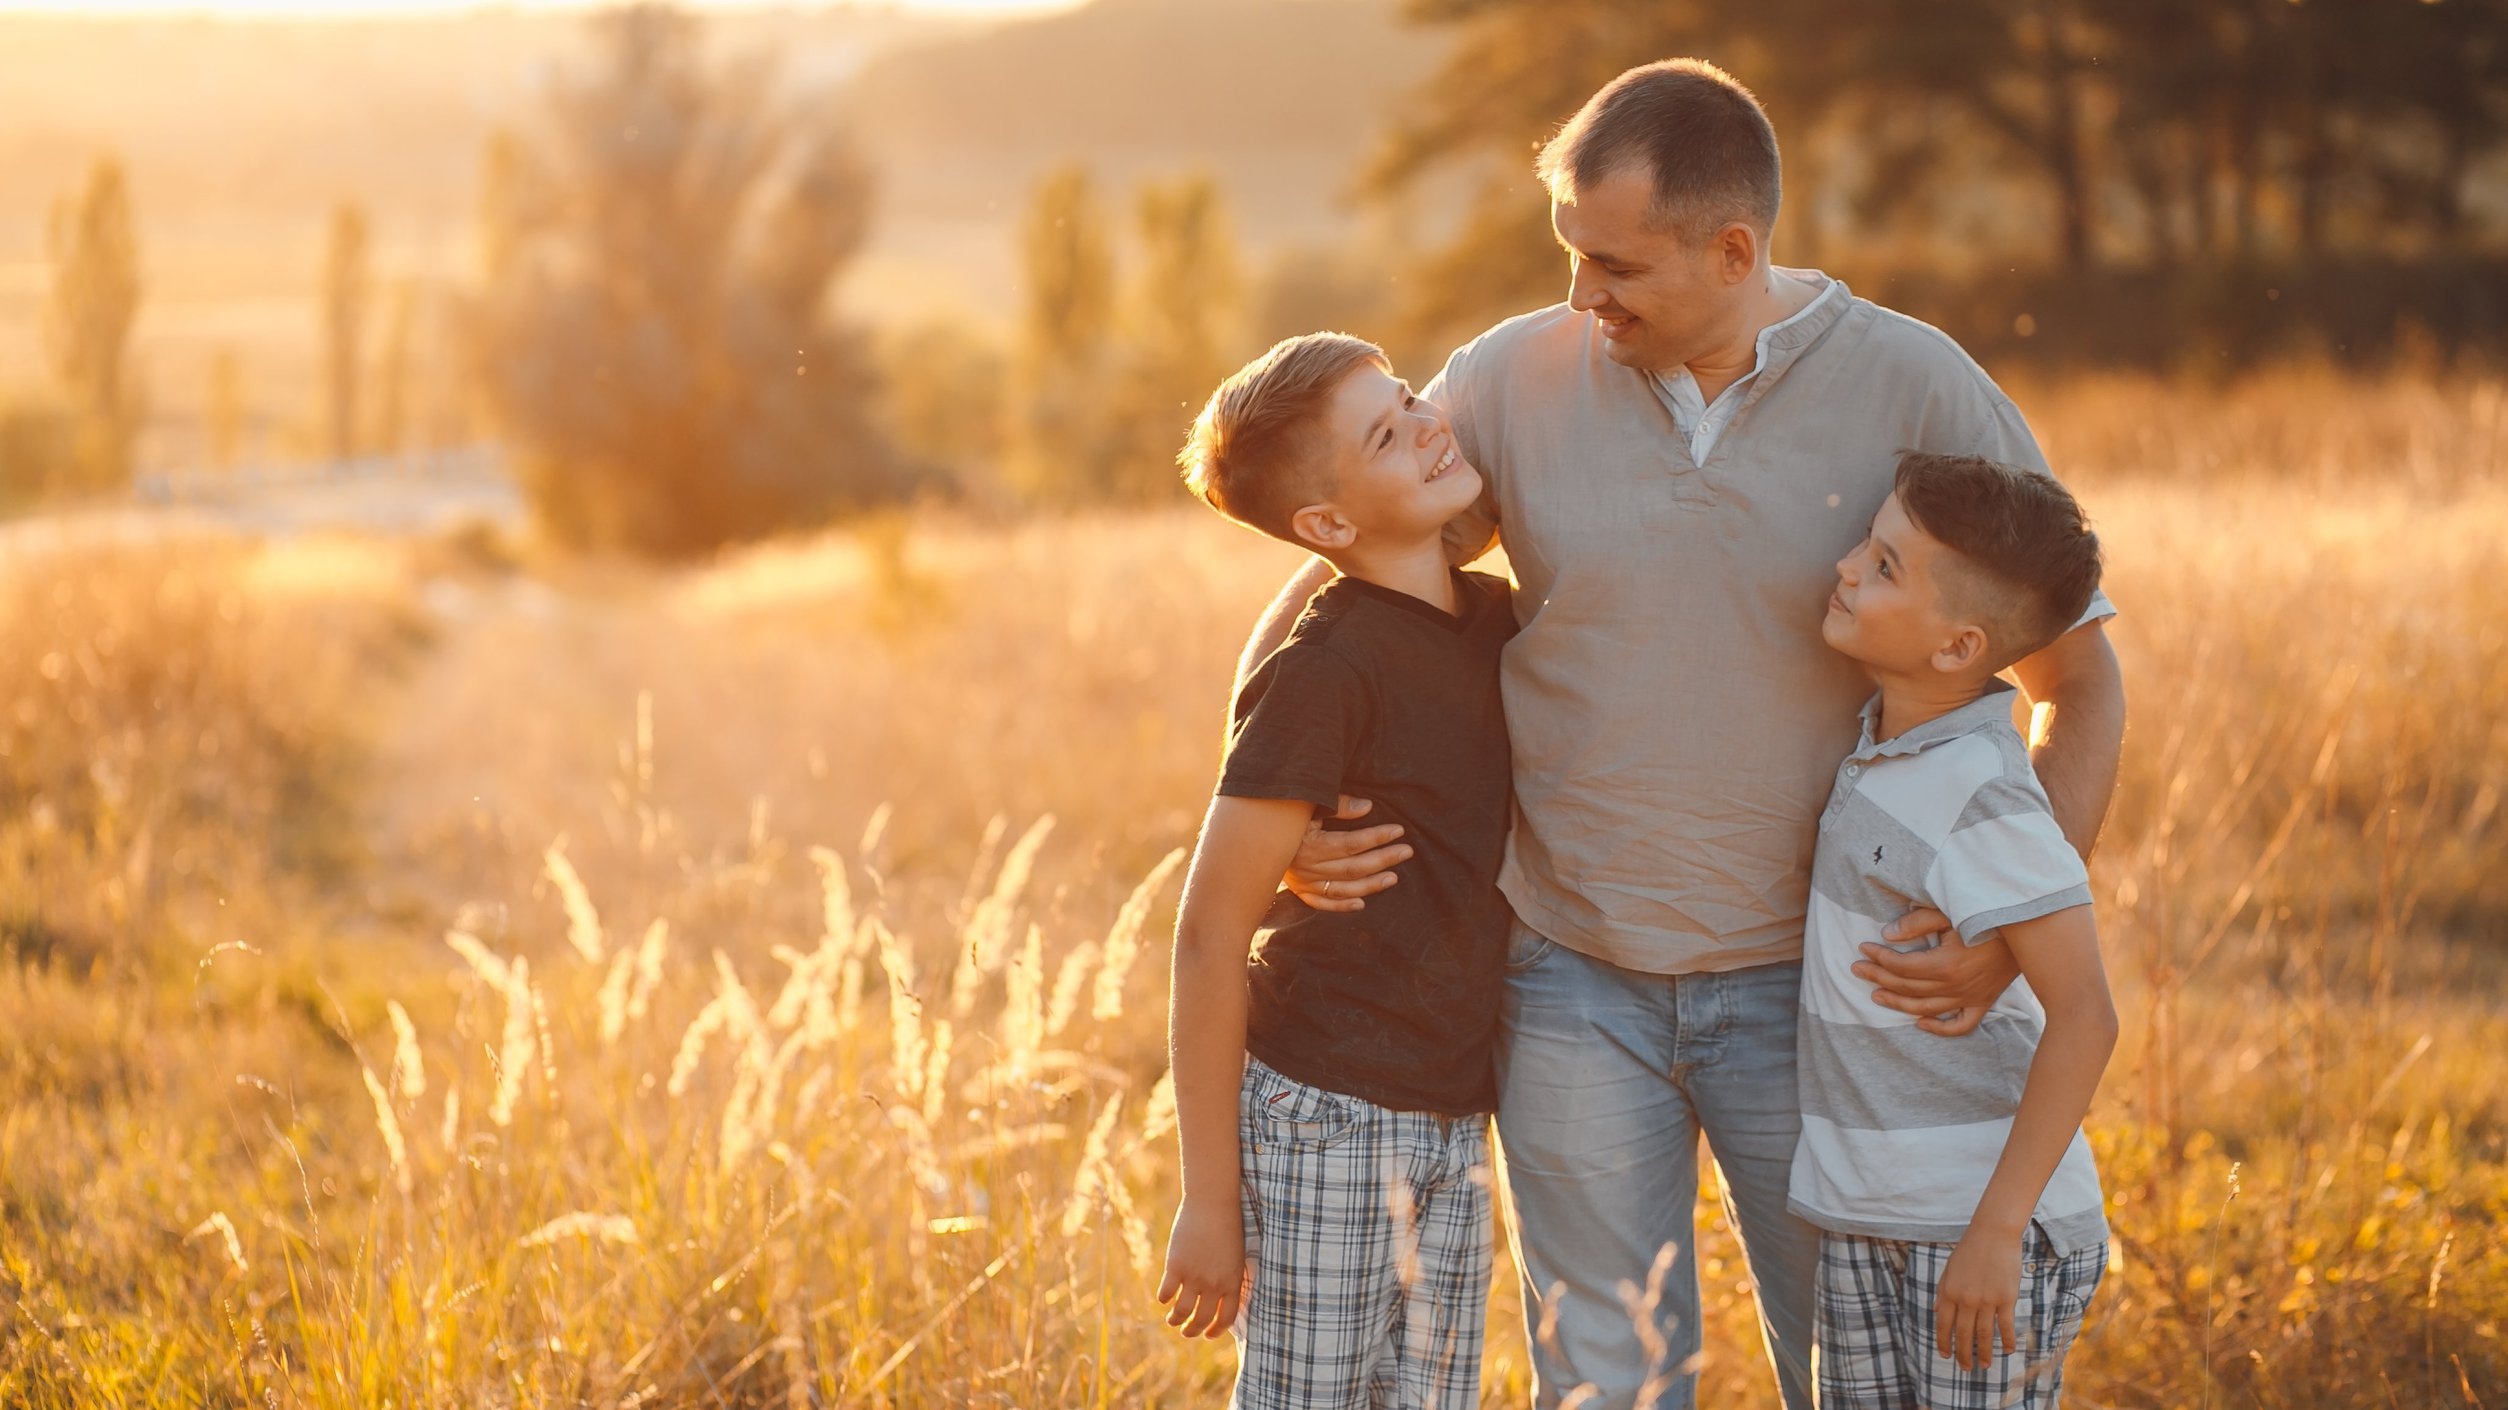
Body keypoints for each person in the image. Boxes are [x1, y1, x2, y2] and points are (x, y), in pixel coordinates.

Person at [1248, 58, 2127, 1410]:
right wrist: (1289, 825)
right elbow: (1339, 577)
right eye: (1570, 256)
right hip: (1568, 983)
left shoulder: (1913, 384)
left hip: (1822, 996)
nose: (1580, 297)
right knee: (1608, 1386)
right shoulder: (1507, 380)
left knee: (1848, 1379)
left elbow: (2082, 671)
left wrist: (2013, 919)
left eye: (1615, 267)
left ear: (1733, 250)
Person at [1154, 331, 1518, 1409]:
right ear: (1325, 525)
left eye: (1408, 398)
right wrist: (1208, 1201)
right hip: (1327, 1112)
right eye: (1384, 433)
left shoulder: (1497, 623)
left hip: (1457, 1110)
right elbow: (1210, 934)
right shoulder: (1324, 671)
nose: (1426, 424)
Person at [1793, 452, 2115, 1409]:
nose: (1848, 565)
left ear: (1956, 648)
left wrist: (1996, 1231)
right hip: (1868, 1213)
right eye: (1869, 544)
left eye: (1887, 565)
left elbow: (2087, 1017)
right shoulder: (1886, 749)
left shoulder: (1985, 791)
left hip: (1979, 1232)